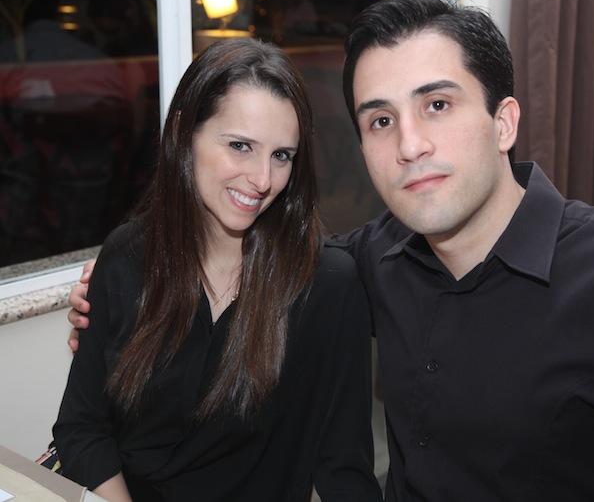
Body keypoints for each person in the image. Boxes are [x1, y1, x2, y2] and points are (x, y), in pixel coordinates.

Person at [68, 0, 594, 501]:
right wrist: (114, 295)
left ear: (504, 122)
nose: (410, 144)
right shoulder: (371, 265)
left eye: (438, 105)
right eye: (380, 120)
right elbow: (268, 273)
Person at [55, 38, 381, 501]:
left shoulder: (326, 284)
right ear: (185, 134)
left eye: (281, 155)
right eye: (240, 146)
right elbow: (82, 427)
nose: (263, 179)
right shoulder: (127, 256)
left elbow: (344, 470)